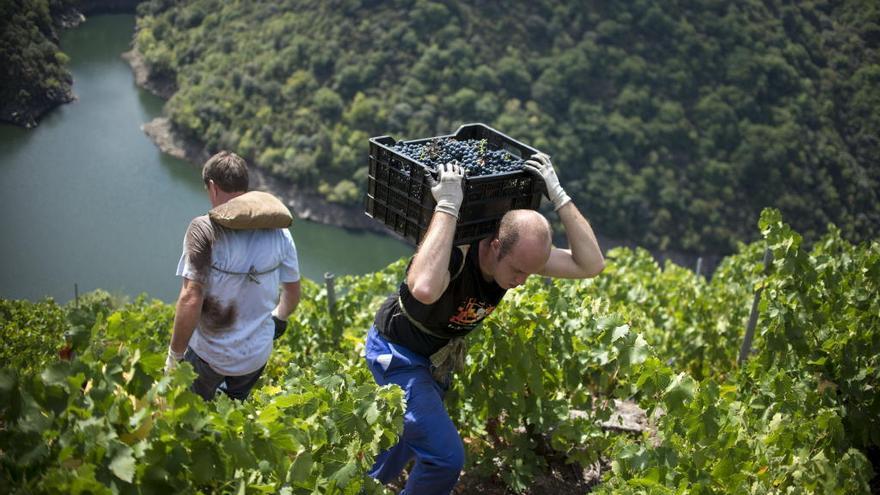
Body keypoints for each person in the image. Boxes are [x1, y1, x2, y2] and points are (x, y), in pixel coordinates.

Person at [364, 152, 605, 493]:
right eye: (518, 271)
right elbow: (424, 288)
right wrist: (447, 205)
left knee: (397, 448)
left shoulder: (518, 257)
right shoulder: (457, 252)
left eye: (530, 272)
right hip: (397, 355)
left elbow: (591, 264)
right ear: (494, 247)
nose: (522, 280)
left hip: (434, 363)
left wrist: (559, 195)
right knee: (444, 459)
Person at [164, 151, 301, 401]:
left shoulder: (204, 230)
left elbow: (190, 299)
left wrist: (174, 356)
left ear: (213, 187)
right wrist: (279, 317)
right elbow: (292, 293)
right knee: (231, 418)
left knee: (187, 417)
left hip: (209, 355)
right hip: (255, 357)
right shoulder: (280, 233)